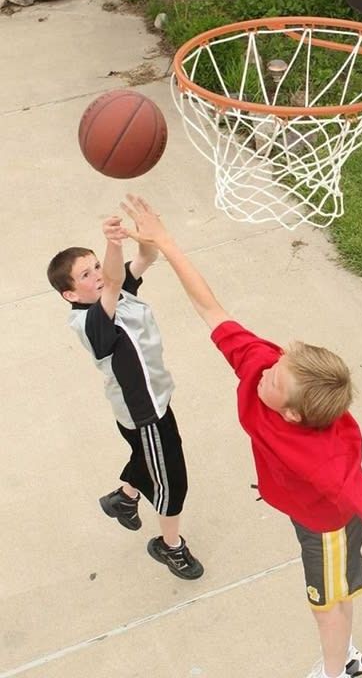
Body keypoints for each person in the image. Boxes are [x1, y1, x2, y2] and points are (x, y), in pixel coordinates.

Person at [120, 194, 362, 678]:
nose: (264, 373)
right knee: (334, 597)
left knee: (325, 607)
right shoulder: (267, 368)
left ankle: (337, 669)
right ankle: (346, 657)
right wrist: (167, 243)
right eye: (278, 364)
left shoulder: (322, 459)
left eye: (276, 380)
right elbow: (210, 309)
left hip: (327, 527)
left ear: (295, 416)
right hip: (307, 509)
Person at [46, 215, 204, 581]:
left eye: (96, 266)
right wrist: (113, 242)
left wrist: (143, 235)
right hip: (144, 411)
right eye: (85, 275)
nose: (97, 275)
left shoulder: (109, 292)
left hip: (155, 400)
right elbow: (116, 281)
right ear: (70, 295)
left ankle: (124, 497)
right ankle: (170, 545)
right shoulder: (92, 320)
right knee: (172, 480)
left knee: (149, 456)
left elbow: (146, 258)